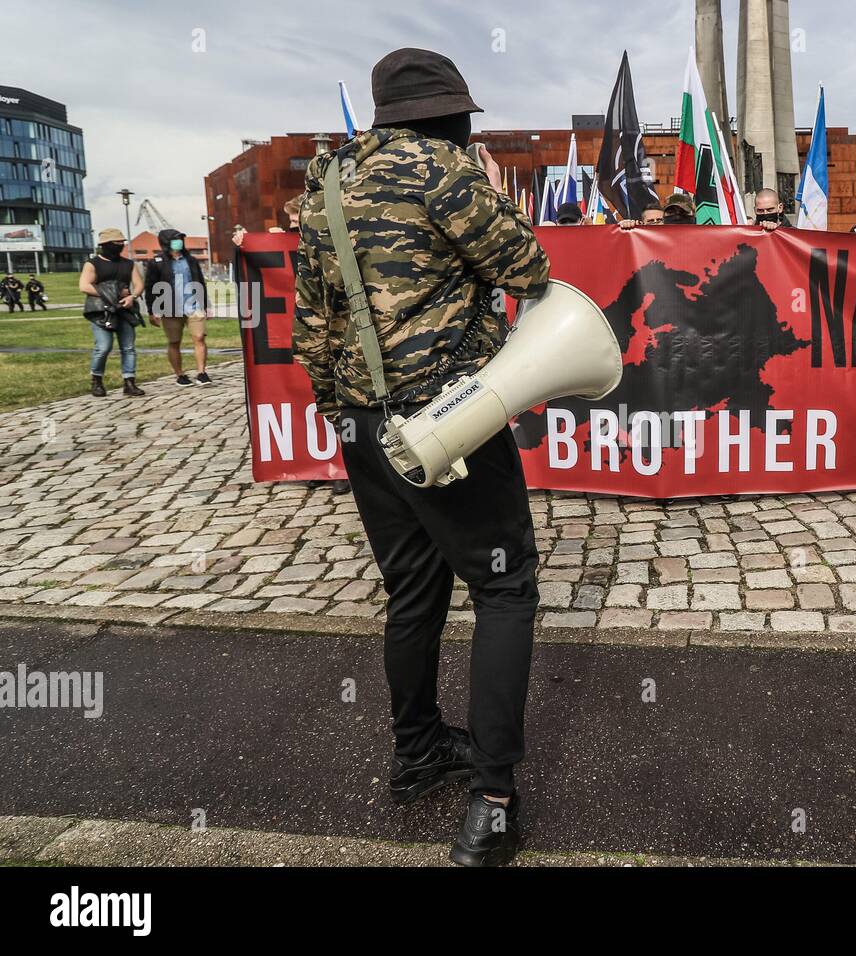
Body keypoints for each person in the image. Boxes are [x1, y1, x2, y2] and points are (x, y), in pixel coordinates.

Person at [294, 47, 549, 867]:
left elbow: (313, 322)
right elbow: (528, 267)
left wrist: (345, 418)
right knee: (505, 588)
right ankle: (494, 805)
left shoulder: (325, 182)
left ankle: (417, 752)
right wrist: (476, 178)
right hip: (454, 423)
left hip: (365, 428)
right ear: (453, 116)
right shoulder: (445, 172)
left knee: (412, 590)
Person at [78, 228, 146, 397]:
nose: (121, 245)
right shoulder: (92, 264)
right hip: (101, 311)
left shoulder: (128, 264)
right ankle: (97, 380)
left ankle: (129, 382)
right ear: (105, 245)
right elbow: (84, 286)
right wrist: (114, 292)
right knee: (103, 347)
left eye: (122, 242)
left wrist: (133, 297)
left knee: (128, 347)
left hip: (125, 309)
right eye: (117, 243)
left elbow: (138, 284)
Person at [143, 228, 211, 387]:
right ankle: (180, 375)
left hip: (193, 306)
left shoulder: (191, 260)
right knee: (174, 341)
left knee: (199, 337)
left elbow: (200, 282)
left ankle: (202, 373)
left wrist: (206, 304)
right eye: (175, 239)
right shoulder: (156, 263)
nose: (179, 241)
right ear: (166, 242)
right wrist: (152, 311)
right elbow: (150, 287)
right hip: (170, 308)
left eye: (180, 238)